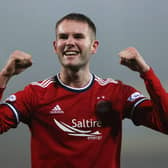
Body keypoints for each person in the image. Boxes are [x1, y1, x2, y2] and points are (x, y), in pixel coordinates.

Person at [0, 13, 168, 168]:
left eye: (78, 36)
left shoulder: (117, 92)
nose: (69, 42)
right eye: (63, 37)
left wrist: (146, 72)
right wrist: (4, 76)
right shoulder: (34, 94)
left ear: (94, 46)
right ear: (55, 46)